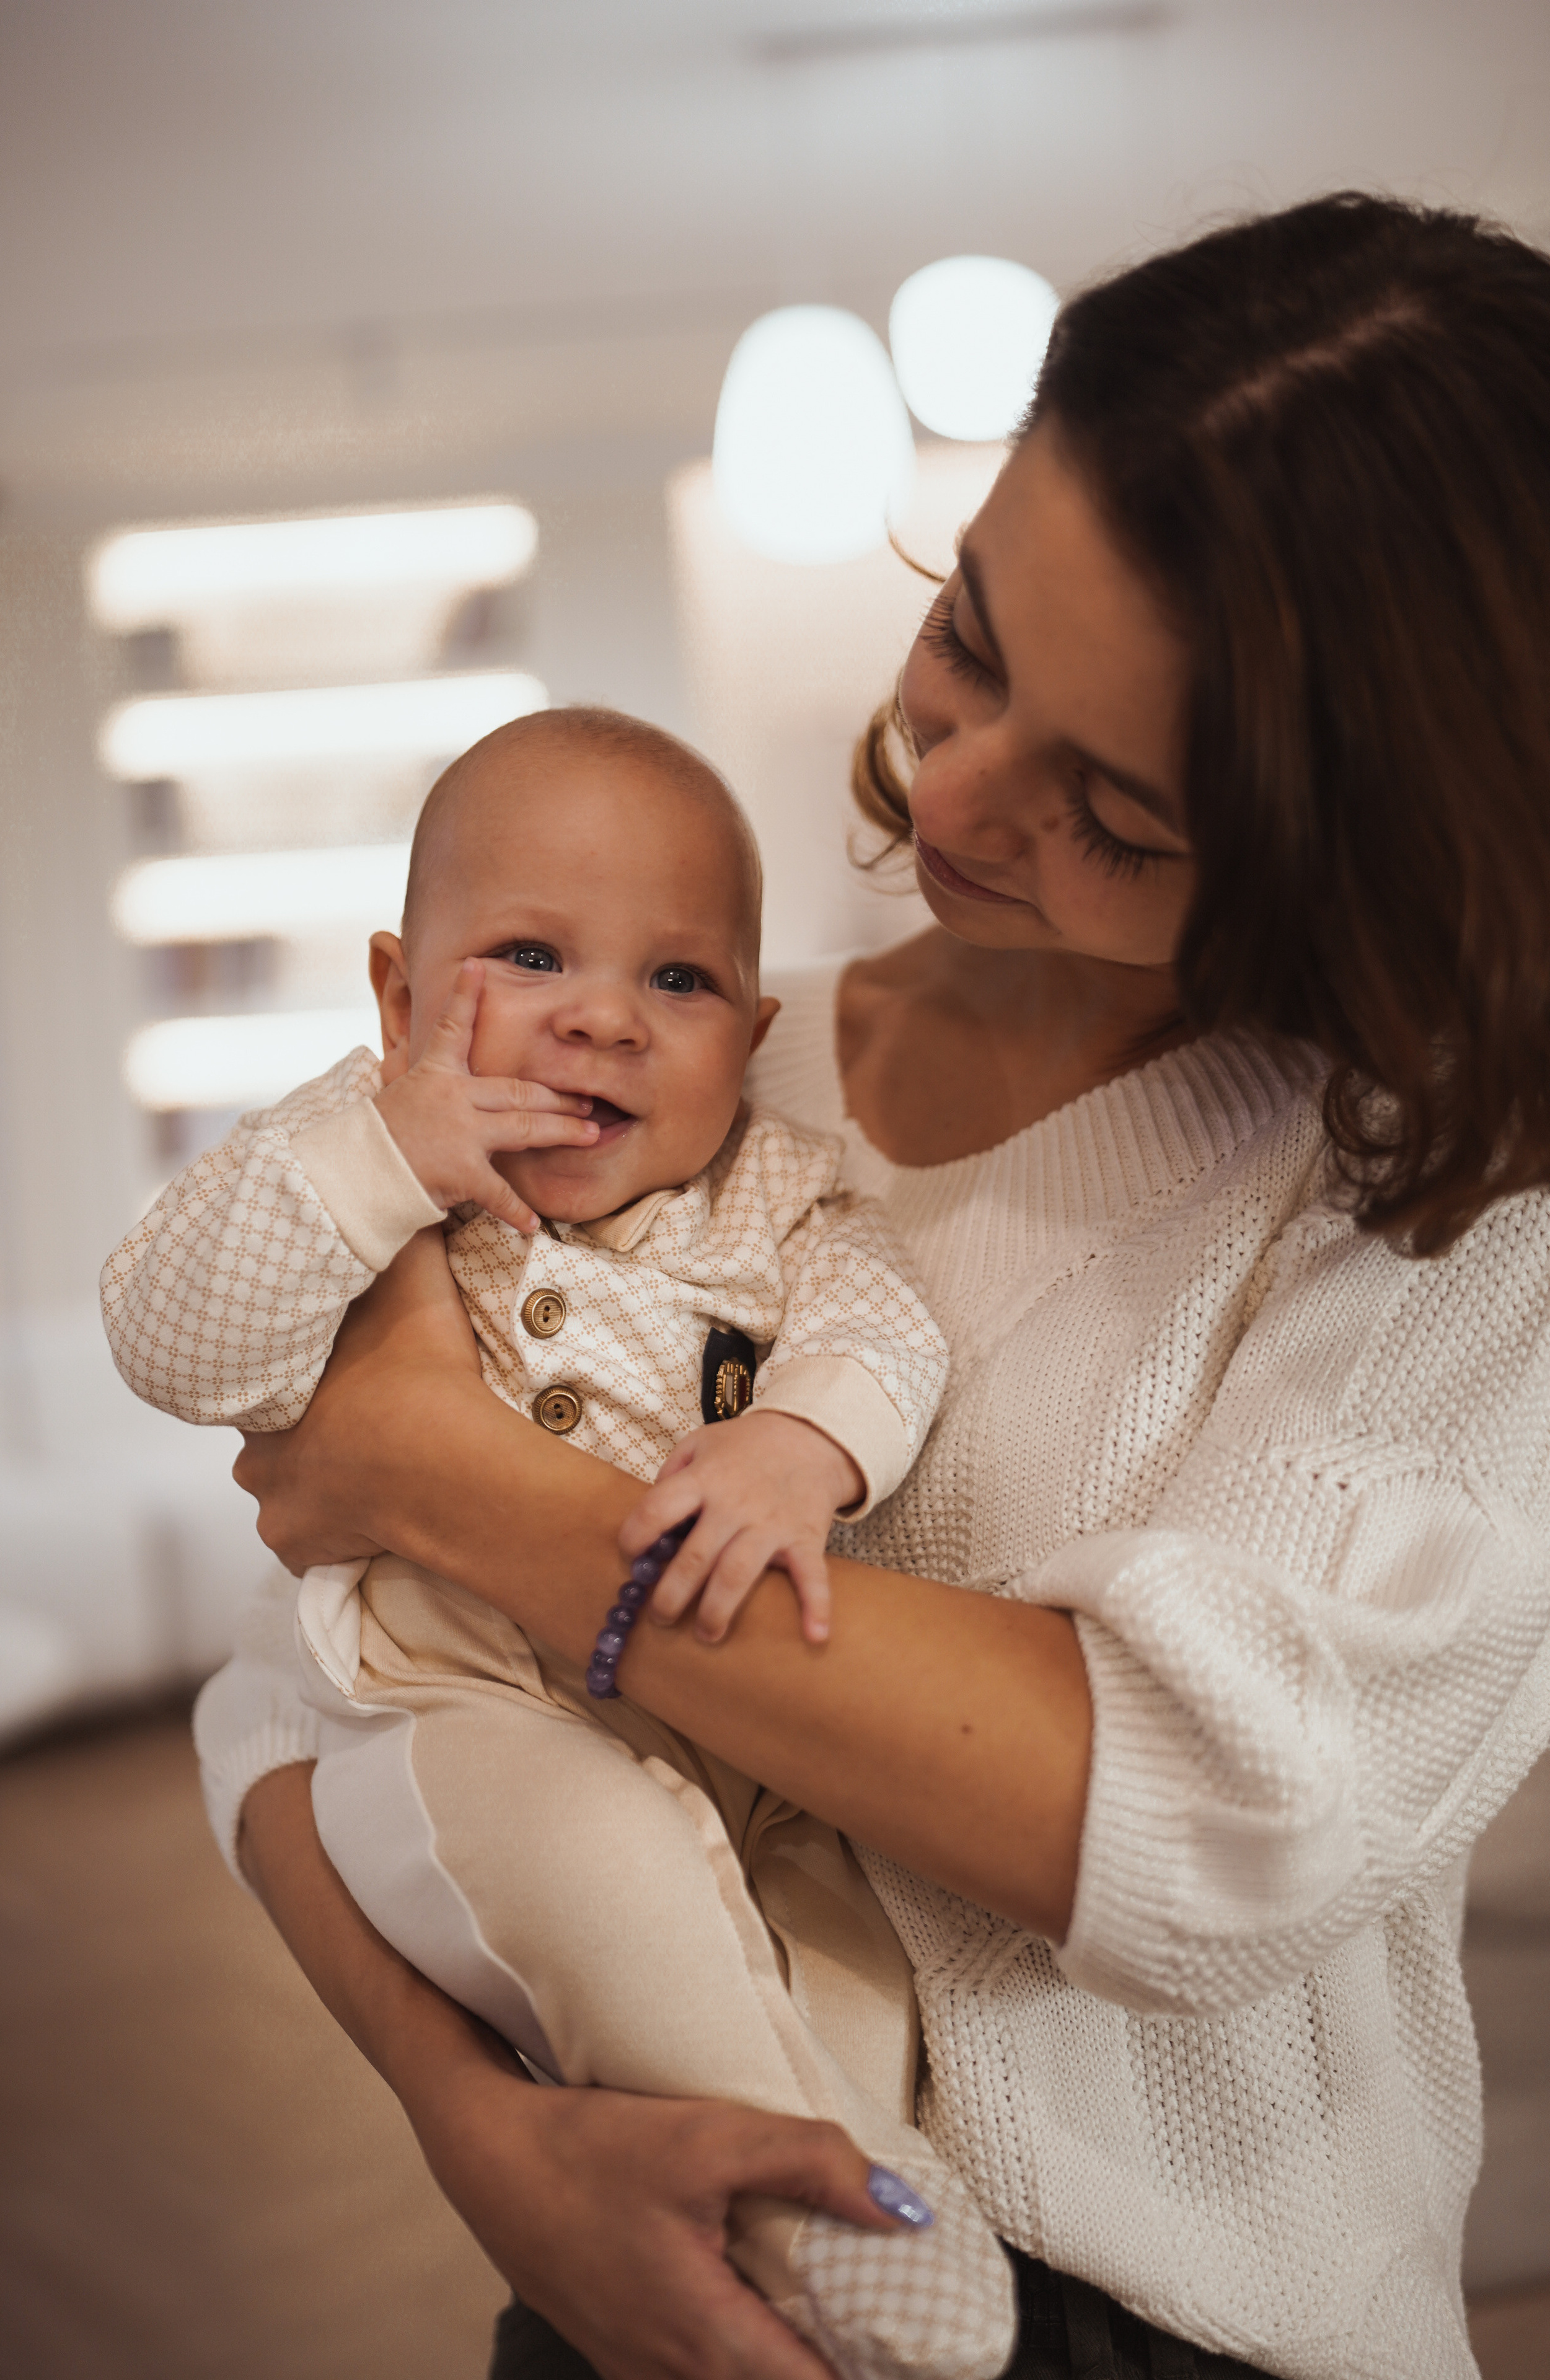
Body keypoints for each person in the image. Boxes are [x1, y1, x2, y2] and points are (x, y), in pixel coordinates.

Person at [209, 193, 1550, 2380]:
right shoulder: (684, 1075)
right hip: (634, 2235)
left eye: (1117, 808)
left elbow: (1214, 1818)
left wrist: (457, 1484)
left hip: (1175, 2333)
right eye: (976, 637)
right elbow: (293, 1690)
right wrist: (481, 2139)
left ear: (1351, 872)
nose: (954, 782)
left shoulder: (1453, 1218)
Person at [105, 709, 1028, 2378]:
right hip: (456, 1718)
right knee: (609, 1884)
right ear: (398, 996)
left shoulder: (772, 1199)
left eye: (677, 983)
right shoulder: (362, 1177)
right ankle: (819, 2197)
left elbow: (885, 1326)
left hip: (751, 1752)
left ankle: (851, 2191)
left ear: (748, 1035)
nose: (604, 1015)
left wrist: (800, 1444)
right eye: (530, 956)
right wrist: (373, 1149)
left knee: (844, 1932)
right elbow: (173, 1337)